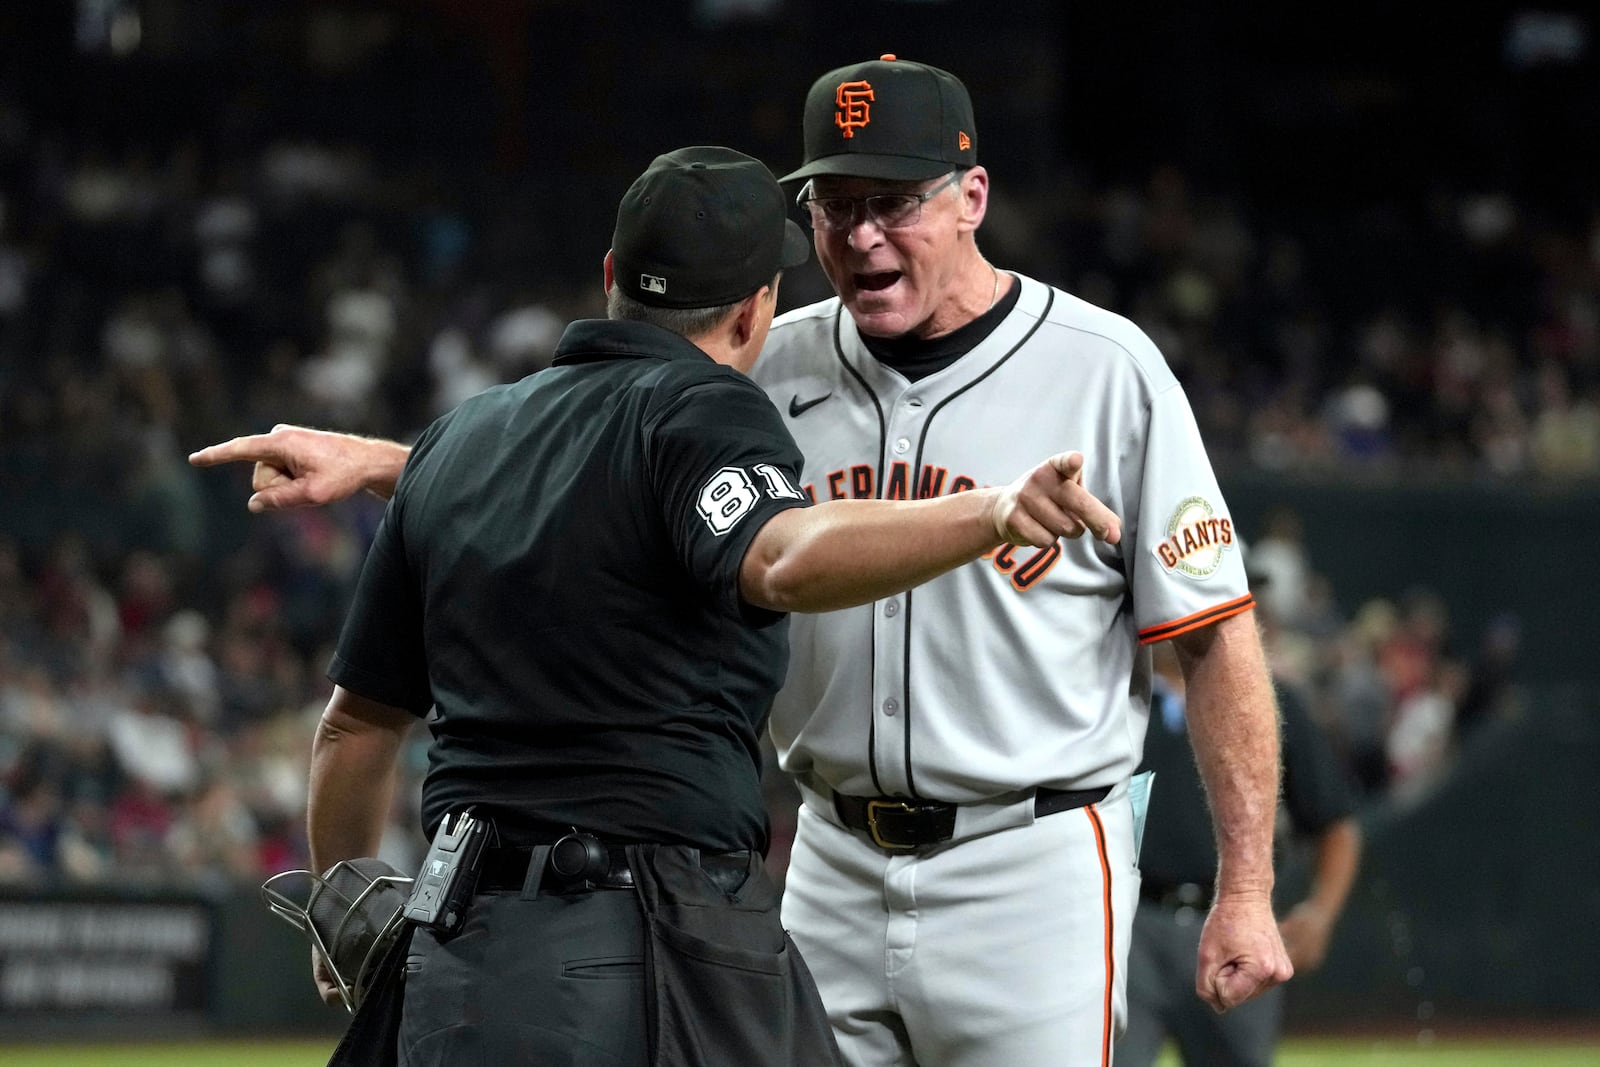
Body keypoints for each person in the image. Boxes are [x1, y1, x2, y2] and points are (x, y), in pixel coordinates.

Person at [192, 56, 1292, 1066]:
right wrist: (397, 461)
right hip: (823, 856)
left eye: (893, 202)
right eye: (833, 205)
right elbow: (600, 470)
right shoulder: (758, 365)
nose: (860, 237)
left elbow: (1211, 632)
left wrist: (1245, 883)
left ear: (972, 197)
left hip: (1030, 856)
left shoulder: (1106, 370)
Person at [1117, 641, 1362, 1067]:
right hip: (1127, 923)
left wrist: (1322, 912)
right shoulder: (1110, 695)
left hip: (1236, 921)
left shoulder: (1269, 698)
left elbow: (1336, 822)